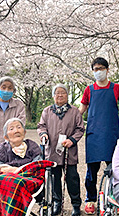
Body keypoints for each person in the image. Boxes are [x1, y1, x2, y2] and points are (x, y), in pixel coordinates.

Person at [79, 57, 119, 214]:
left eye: (101, 68)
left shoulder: (116, 88)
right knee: (91, 170)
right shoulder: (89, 90)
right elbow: (81, 110)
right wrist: (68, 122)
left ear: (107, 70)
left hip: (111, 134)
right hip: (93, 135)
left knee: (116, 168)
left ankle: (116, 198)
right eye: (95, 69)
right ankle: (90, 199)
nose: (98, 72)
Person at [0, 118, 53, 216]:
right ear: (6, 136)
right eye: (11, 129)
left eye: (19, 127)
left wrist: (13, 170)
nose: (16, 131)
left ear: (24, 132)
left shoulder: (32, 146)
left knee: (17, 182)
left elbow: (36, 166)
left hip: (28, 179)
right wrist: (12, 171)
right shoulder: (2, 149)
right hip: (5, 181)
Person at [37, 84, 85, 216]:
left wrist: (72, 140)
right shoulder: (47, 111)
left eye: (63, 92)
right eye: (57, 92)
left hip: (69, 151)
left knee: (72, 178)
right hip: (52, 151)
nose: (60, 95)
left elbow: (80, 128)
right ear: (53, 95)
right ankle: (57, 202)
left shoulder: (74, 111)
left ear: (67, 95)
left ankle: (76, 204)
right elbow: (41, 126)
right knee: (54, 178)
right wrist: (43, 134)